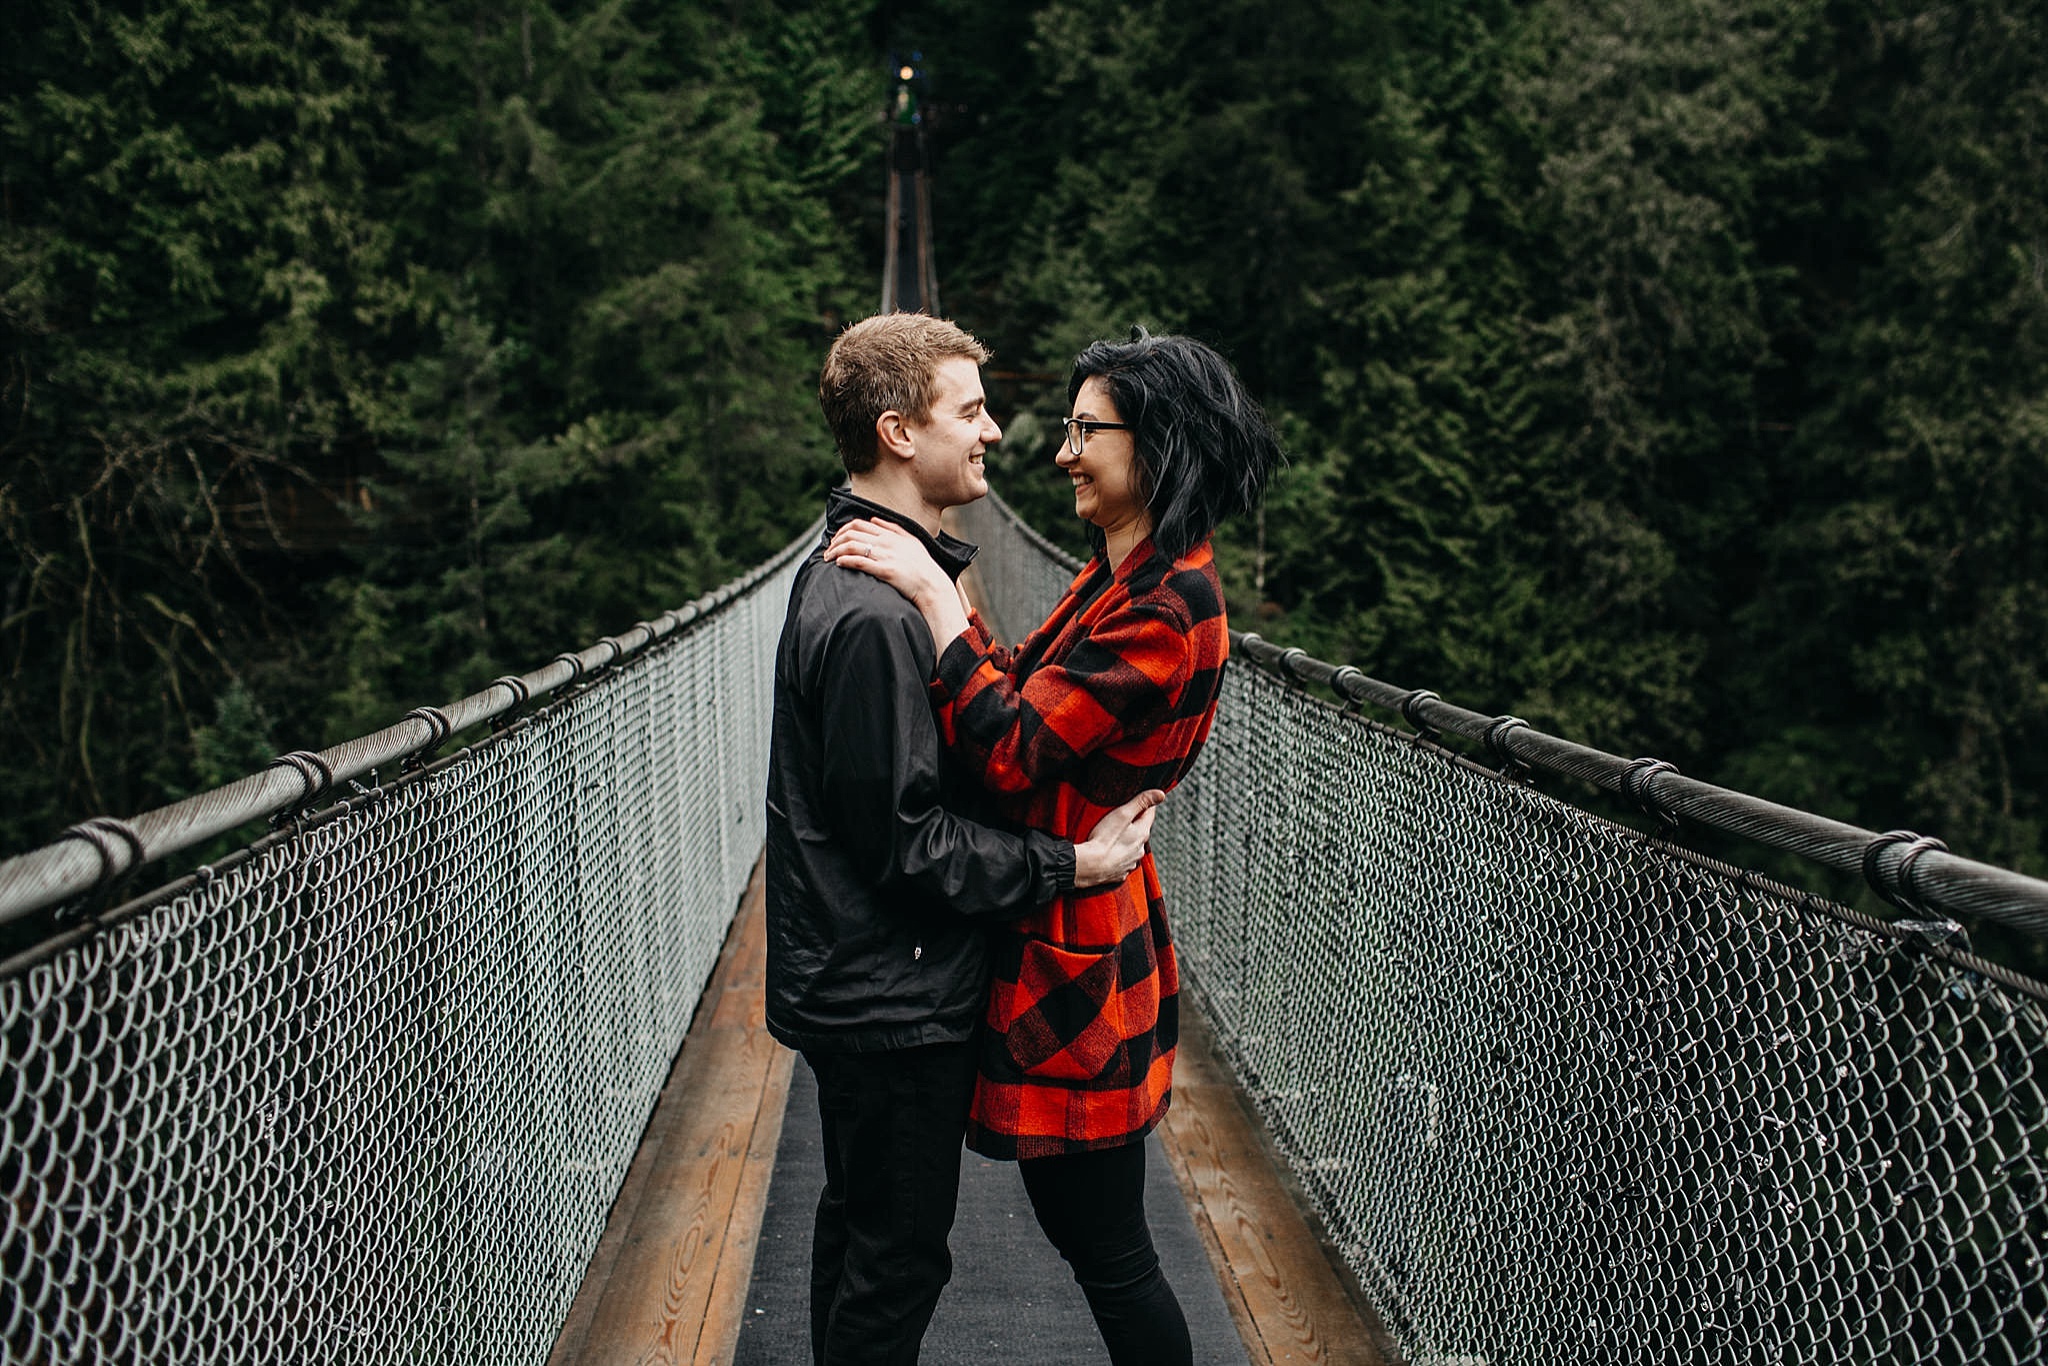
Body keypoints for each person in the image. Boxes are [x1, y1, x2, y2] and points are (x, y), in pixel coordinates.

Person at [826, 328, 1283, 1366]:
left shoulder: (1169, 607)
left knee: (1107, 1247)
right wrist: (943, 591)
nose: (1062, 452)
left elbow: (1011, 750)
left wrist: (939, 594)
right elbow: (1020, 687)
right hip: (1059, 914)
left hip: (1077, 942)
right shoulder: (1122, 574)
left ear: (1154, 443)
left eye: (1085, 431)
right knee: (1097, 1241)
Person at [764, 311, 1168, 1366]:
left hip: (869, 983)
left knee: (862, 1241)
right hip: (890, 997)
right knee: (893, 1259)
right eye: (970, 410)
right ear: (899, 433)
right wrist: (1070, 864)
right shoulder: (871, 613)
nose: (995, 432)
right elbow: (909, 845)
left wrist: (943, 598)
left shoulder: (888, 583)